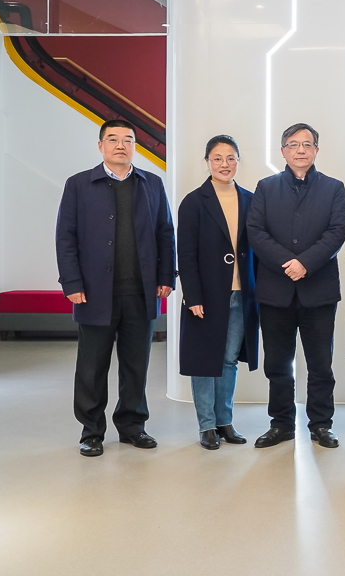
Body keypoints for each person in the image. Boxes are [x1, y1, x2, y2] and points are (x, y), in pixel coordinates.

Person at [55, 119, 175, 458]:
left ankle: (133, 426)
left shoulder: (152, 183)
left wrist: (166, 277)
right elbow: (65, 237)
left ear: (135, 146)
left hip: (141, 291)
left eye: (127, 140)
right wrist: (72, 282)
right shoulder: (78, 184)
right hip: (94, 292)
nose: (120, 145)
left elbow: (165, 233)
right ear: (100, 145)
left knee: (136, 365)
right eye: (113, 139)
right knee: (92, 366)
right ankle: (91, 431)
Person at [247, 123, 345, 450]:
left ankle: (321, 425)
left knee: (320, 365)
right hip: (275, 291)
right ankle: (281, 424)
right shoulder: (266, 187)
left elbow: (336, 232)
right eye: (293, 144)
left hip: (319, 291)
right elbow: (255, 231)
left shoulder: (334, 188)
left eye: (307, 144)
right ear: (283, 151)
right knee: (277, 364)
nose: (300, 150)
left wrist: (305, 263)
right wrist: (286, 263)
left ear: (316, 150)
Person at [177, 135, 260, 450]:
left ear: (238, 161)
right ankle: (207, 426)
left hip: (242, 294)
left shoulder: (250, 199)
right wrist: (193, 296)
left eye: (230, 158)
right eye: (217, 158)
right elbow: (186, 254)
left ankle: (225, 422)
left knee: (228, 361)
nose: (224, 164)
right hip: (207, 295)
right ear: (207, 162)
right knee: (204, 360)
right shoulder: (194, 202)